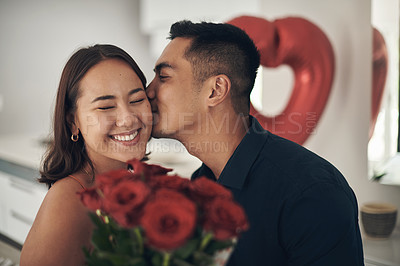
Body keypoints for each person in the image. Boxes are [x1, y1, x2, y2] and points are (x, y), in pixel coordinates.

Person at [146, 20, 364, 265]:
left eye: (163, 77)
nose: (148, 91)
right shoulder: (201, 183)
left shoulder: (311, 193)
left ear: (215, 90)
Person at [20, 44, 152, 266]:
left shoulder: (131, 182)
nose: (128, 119)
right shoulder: (69, 201)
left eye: (137, 100)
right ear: (74, 122)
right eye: (105, 107)